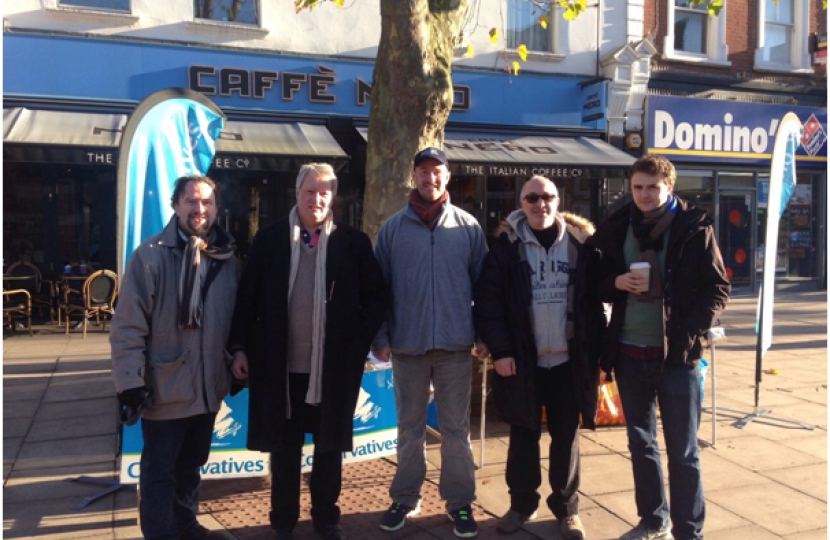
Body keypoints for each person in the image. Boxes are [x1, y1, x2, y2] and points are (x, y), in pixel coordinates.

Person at [228, 163, 388, 540]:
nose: (316, 199)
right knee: (284, 453)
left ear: (333, 197)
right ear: (296, 193)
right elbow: (246, 299)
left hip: (332, 370)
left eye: (324, 192)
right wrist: (237, 347)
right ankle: (283, 522)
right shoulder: (268, 240)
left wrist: (357, 341)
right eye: (309, 191)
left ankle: (326, 520)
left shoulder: (353, 243)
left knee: (329, 451)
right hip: (279, 369)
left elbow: (377, 297)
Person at [585, 155, 730, 540]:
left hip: (676, 358)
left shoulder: (693, 227)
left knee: (683, 452)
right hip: (630, 353)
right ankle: (653, 520)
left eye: (653, 186)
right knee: (640, 443)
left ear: (669, 186)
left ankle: (688, 530)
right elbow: (593, 283)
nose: (645, 194)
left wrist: (687, 333)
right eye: (638, 187)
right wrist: (616, 283)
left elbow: (718, 289)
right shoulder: (618, 226)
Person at [473, 176, 605, 540]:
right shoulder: (505, 247)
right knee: (522, 436)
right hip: (522, 360)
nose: (539, 204)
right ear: (521, 202)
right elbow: (489, 302)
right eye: (532, 197)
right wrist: (500, 350)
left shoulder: (581, 244)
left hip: (567, 360)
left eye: (546, 197)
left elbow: (595, 302)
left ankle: (566, 509)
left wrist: (598, 352)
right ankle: (520, 505)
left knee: (566, 436)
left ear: (557, 200)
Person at [111, 174, 238, 540]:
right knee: (159, 474)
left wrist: (237, 357)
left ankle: (186, 524)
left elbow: (232, 321)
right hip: (165, 389)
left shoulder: (226, 258)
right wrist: (130, 383)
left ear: (216, 208)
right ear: (176, 205)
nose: (200, 209)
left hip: (206, 388)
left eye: (208, 202)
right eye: (192, 201)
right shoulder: (149, 256)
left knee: (191, 467)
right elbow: (127, 327)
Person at [373, 147, 489, 538]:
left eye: (436, 172)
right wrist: (381, 337)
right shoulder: (392, 229)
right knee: (409, 428)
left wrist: (484, 335)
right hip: (407, 347)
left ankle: (459, 503)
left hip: (456, 346)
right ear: (413, 176)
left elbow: (484, 288)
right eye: (423, 171)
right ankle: (404, 498)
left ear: (447, 176)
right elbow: (378, 290)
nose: (430, 178)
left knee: (456, 430)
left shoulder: (468, 227)